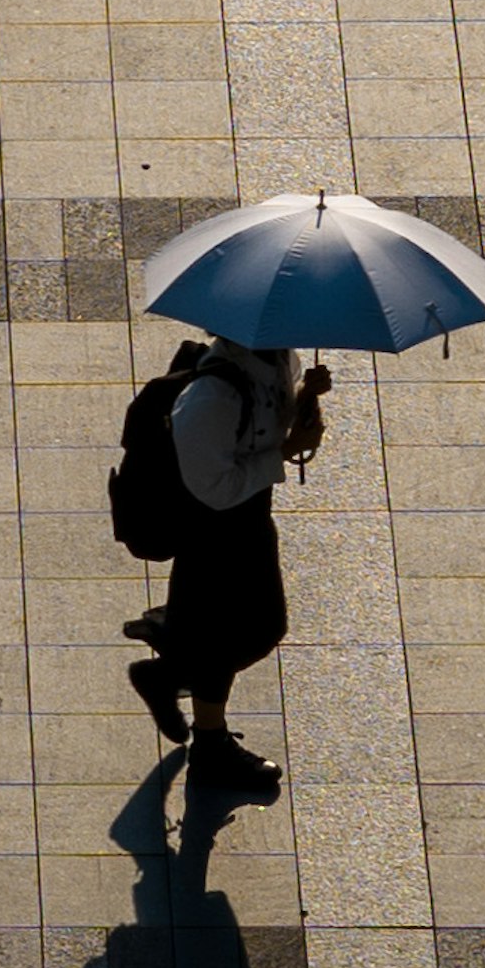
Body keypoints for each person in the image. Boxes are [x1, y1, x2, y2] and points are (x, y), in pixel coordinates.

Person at [128, 340, 324, 796]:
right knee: (236, 633)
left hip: (250, 518)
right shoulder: (212, 396)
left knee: (257, 627)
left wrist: (305, 399)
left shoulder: (275, 358)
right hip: (213, 531)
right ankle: (209, 745)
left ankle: (171, 672)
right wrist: (287, 449)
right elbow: (212, 489)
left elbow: (266, 422)